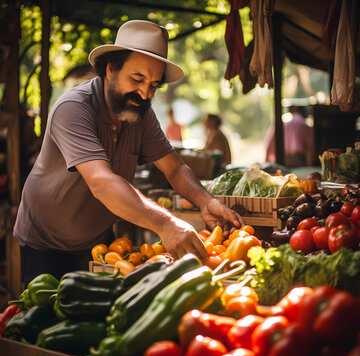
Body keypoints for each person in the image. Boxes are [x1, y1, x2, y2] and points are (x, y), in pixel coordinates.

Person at [14, 20, 244, 286]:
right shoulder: (73, 108)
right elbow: (102, 182)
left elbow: (175, 168)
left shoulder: (141, 113)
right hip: (45, 243)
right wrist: (167, 224)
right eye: (137, 79)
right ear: (111, 69)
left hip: (98, 242)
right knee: (46, 322)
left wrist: (206, 201)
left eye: (154, 85)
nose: (145, 93)